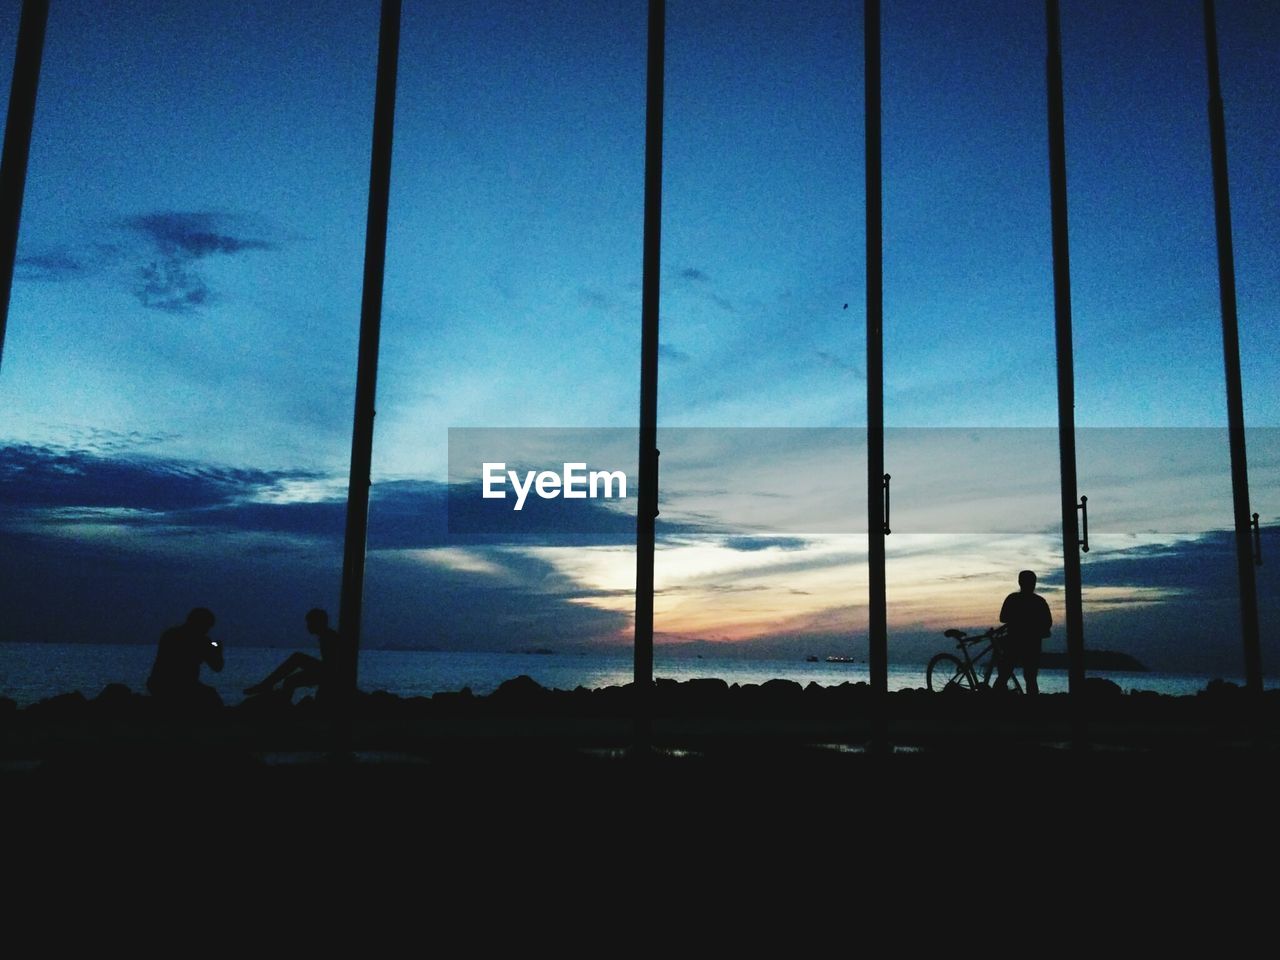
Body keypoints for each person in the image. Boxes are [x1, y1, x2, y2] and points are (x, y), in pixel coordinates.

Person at [244, 608, 349, 704]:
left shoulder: (329, 637)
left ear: (318, 623)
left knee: (297, 658)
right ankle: (280, 700)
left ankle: (267, 686)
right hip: (327, 672)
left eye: (310, 622)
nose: (307, 626)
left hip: (329, 673)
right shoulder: (326, 636)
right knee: (290, 680)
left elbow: (331, 665)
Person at [147, 607, 224, 707]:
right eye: (207, 627)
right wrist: (218, 651)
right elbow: (217, 667)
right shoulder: (202, 641)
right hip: (184, 686)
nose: (207, 630)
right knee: (213, 699)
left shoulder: (170, 634)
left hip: (157, 684)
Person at [994, 570, 1052, 695]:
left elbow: (1003, 617)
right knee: (1030, 678)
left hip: (1014, 641)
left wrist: (1017, 619)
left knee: (1005, 674)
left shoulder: (1013, 599)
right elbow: (1048, 622)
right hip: (1032, 643)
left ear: (1020, 582)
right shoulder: (1039, 601)